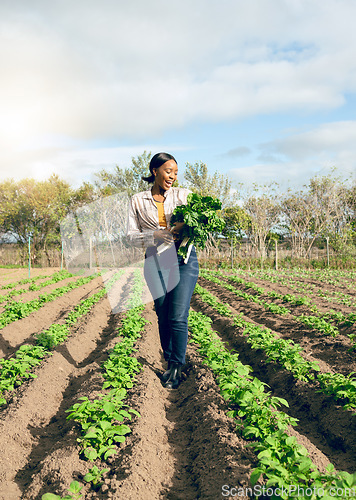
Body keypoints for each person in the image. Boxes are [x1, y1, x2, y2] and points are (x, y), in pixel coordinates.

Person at [126, 152, 199, 389]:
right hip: (155, 260)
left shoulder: (185, 196)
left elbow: (198, 223)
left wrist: (182, 226)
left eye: (176, 173)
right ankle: (169, 361)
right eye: (169, 171)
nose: (173, 177)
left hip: (182, 258)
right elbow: (129, 237)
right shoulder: (137, 200)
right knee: (163, 314)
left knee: (178, 315)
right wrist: (154, 235)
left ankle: (177, 367)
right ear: (155, 171)